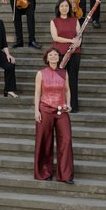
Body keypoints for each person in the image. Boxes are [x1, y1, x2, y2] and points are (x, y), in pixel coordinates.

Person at [33, 48, 74, 183]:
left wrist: (68, 104)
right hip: (45, 109)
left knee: (66, 140)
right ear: (47, 58)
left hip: (61, 110)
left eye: (55, 54)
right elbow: (37, 93)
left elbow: (67, 90)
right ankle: (44, 172)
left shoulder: (64, 73)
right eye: (51, 55)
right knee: (45, 141)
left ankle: (65, 175)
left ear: (58, 57)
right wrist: (36, 111)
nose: (53, 56)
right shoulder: (41, 73)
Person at [49, 0, 83, 113]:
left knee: (73, 79)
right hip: (60, 54)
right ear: (58, 8)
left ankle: (73, 106)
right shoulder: (54, 21)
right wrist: (71, 41)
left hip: (75, 53)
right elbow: (55, 38)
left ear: (69, 8)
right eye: (62, 6)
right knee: (60, 80)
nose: (64, 8)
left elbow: (79, 36)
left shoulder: (75, 20)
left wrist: (77, 42)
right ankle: (59, 104)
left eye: (66, 6)